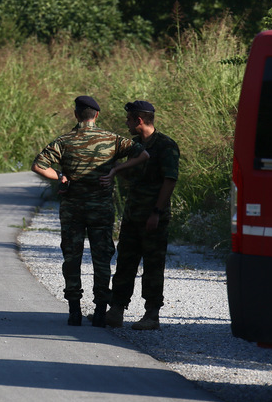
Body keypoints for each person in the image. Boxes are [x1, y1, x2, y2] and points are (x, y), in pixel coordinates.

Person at [31, 96, 149, 327]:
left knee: (72, 258)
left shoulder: (64, 141)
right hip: (101, 210)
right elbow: (143, 154)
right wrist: (115, 170)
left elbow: (38, 166)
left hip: (72, 209)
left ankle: (74, 311)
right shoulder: (112, 140)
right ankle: (100, 312)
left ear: (76, 115)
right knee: (101, 258)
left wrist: (61, 178)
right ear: (96, 115)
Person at [106, 100, 180, 331]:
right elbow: (131, 175)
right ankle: (116, 310)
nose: (126, 123)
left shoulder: (166, 146)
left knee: (153, 265)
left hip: (153, 216)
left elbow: (169, 181)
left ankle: (152, 314)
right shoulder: (135, 145)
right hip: (132, 214)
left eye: (129, 119)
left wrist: (156, 213)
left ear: (139, 120)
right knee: (125, 262)